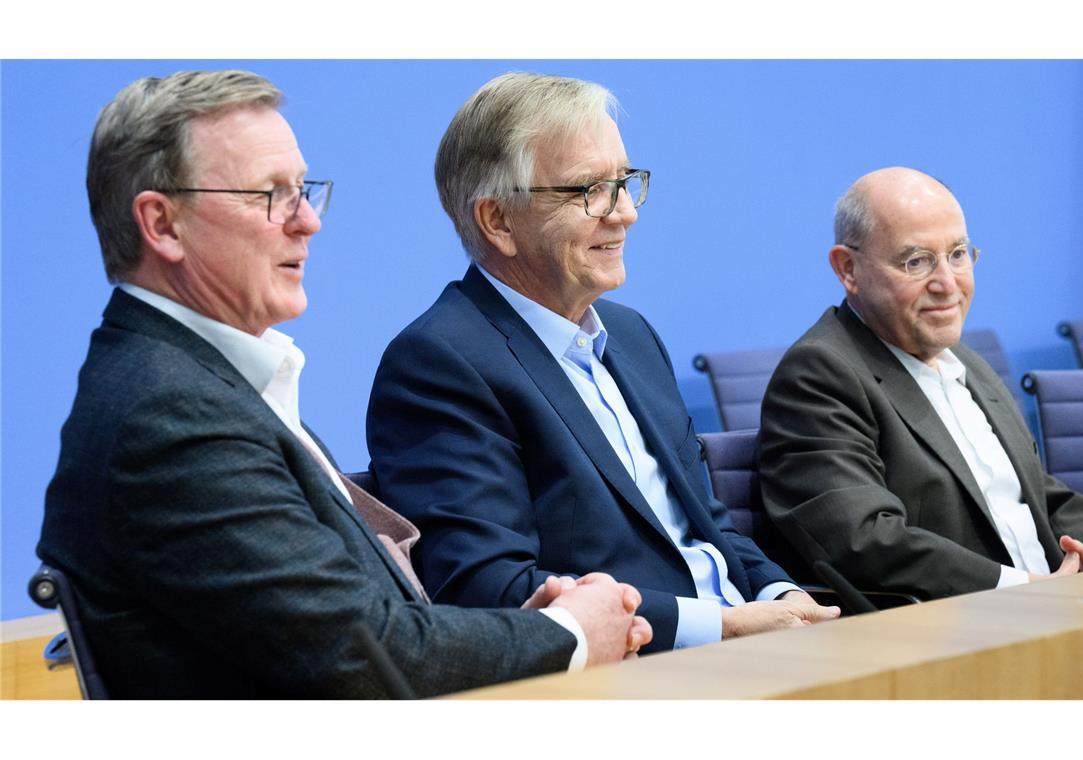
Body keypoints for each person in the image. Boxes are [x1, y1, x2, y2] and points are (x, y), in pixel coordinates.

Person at [37, 69, 650, 699]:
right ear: (163, 225)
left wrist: (523, 633)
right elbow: (369, 661)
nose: (308, 221)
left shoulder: (205, 385)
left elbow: (343, 635)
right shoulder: (168, 418)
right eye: (270, 195)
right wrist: (570, 632)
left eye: (303, 190)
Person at [366, 72, 838, 654]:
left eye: (624, 182)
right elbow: (490, 587)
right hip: (632, 674)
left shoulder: (632, 335)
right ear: (498, 221)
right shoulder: (439, 363)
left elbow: (707, 527)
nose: (624, 214)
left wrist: (779, 597)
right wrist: (723, 626)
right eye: (588, 190)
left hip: (749, 646)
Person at [757, 166, 1083, 600]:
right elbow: (867, 541)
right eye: (916, 261)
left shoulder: (965, 361)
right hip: (955, 630)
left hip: (1061, 609)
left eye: (957, 254)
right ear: (848, 269)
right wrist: (1027, 591)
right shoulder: (819, 374)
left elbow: (1041, 495)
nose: (948, 284)